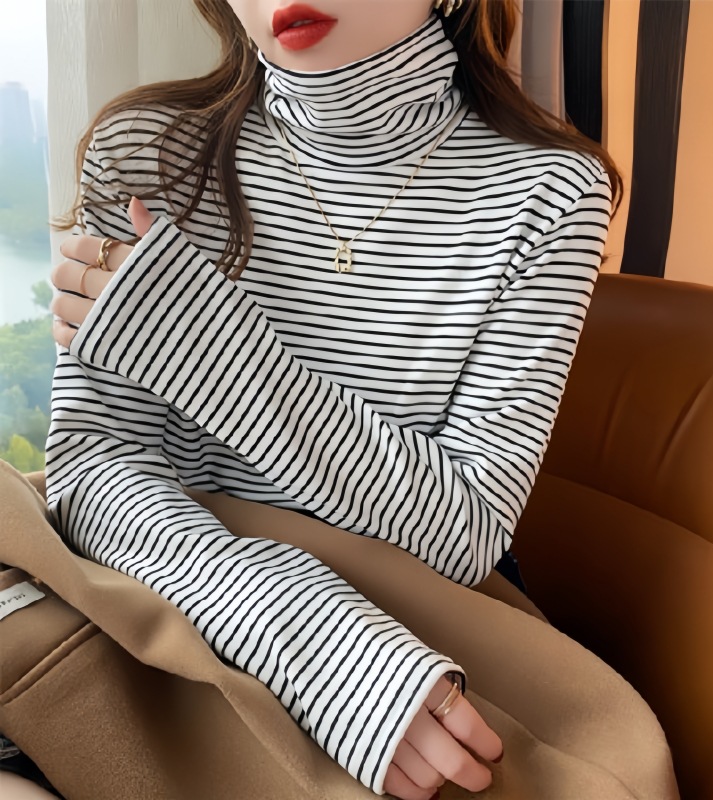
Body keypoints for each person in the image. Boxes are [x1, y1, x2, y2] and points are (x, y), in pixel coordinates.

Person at [0, 1, 677, 798]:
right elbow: (94, 470)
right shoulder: (145, 151)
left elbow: (463, 535)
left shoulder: (553, 189)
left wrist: (206, 352)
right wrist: (319, 648)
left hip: (412, 627)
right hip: (157, 595)